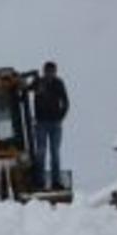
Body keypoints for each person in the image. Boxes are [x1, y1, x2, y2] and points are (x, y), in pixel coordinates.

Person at [31, 61, 70, 190]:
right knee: (41, 152)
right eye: (48, 71)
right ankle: (39, 182)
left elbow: (65, 102)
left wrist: (60, 117)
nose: (50, 74)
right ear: (44, 71)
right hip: (41, 123)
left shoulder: (59, 83)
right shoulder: (38, 82)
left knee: (55, 153)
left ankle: (56, 182)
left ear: (55, 72)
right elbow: (25, 88)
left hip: (55, 124)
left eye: (52, 72)